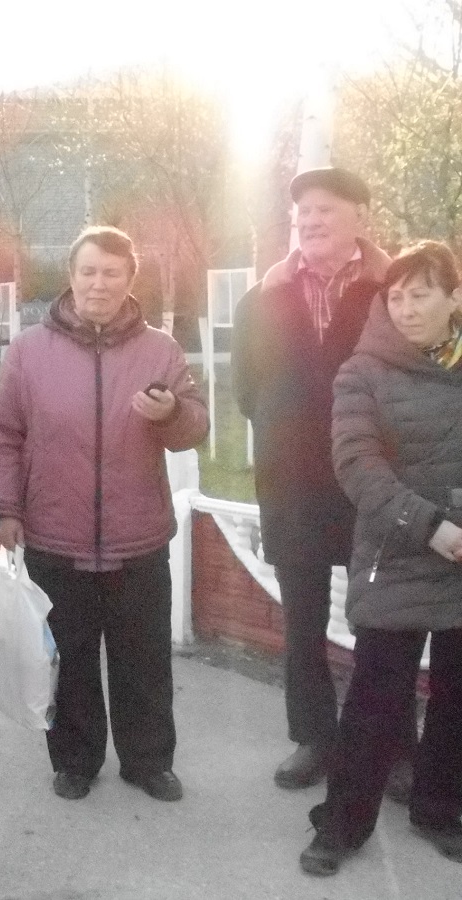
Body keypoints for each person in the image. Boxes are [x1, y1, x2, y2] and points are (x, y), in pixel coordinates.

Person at [0, 226, 208, 803]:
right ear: (72, 277)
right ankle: (76, 760)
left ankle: (149, 761)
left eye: (111, 272)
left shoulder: (161, 350)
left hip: (139, 538)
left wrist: (172, 411)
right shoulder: (31, 350)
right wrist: (5, 508)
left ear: (131, 280)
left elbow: (195, 428)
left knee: (144, 661)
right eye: (88, 271)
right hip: (57, 536)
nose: (98, 283)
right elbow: (1, 434)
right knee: (71, 659)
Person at [231, 166, 417, 794]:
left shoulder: (394, 291)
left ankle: (390, 746)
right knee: (304, 622)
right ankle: (314, 737)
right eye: (302, 212)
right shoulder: (262, 297)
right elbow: (248, 392)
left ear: (361, 217)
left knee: (383, 622)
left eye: (325, 209)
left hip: (377, 485)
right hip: (293, 488)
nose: (309, 220)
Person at [298, 240, 462, 875]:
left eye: (421, 293)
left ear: (454, 298)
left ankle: (439, 808)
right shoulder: (361, 372)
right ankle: (343, 824)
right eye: (395, 295)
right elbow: (357, 466)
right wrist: (432, 527)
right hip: (396, 554)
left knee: (457, 696)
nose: (406, 306)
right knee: (376, 699)